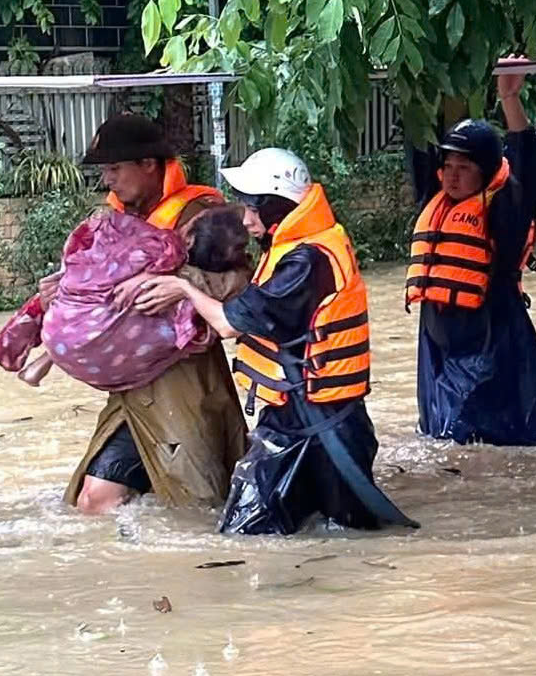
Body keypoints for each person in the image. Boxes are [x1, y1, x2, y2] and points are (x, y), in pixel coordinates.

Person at [132, 148, 411, 537]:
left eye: (252, 209)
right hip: (309, 418)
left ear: (278, 205)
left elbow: (229, 324)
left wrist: (182, 289)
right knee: (334, 536)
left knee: (246, 537)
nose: (245, 221)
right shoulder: (304, 243)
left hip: (314, 427)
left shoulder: (305, 260)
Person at [54, 113, 249, 514]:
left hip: (185, 385)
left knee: (198, 504)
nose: (108, 180)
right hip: (127, 387)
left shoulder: (206, 213)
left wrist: (174, 284)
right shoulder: (113, 221)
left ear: (149, 165)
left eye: (114, 169)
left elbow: (243, 282)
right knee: (92, 501)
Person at [407, 63, 536, 445]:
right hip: (439, 344)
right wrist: (415, 78)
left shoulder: (504, 212)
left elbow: (529, 169)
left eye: (463, 168)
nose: (451, 175)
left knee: (478, 443)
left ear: (485, 172)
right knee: (440, 437)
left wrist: (509, 97)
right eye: (447, 166)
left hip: (490, 342)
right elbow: (416, 139)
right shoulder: (435, 202)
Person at [0, 204, 251, 389]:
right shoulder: (215, 285)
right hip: (104, 360)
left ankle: (46, 357)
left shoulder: (162, 252)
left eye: (115, 168)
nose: (108, 177)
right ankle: (47, 358)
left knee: (109, 304)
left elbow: (96, 234)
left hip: (64, 333)